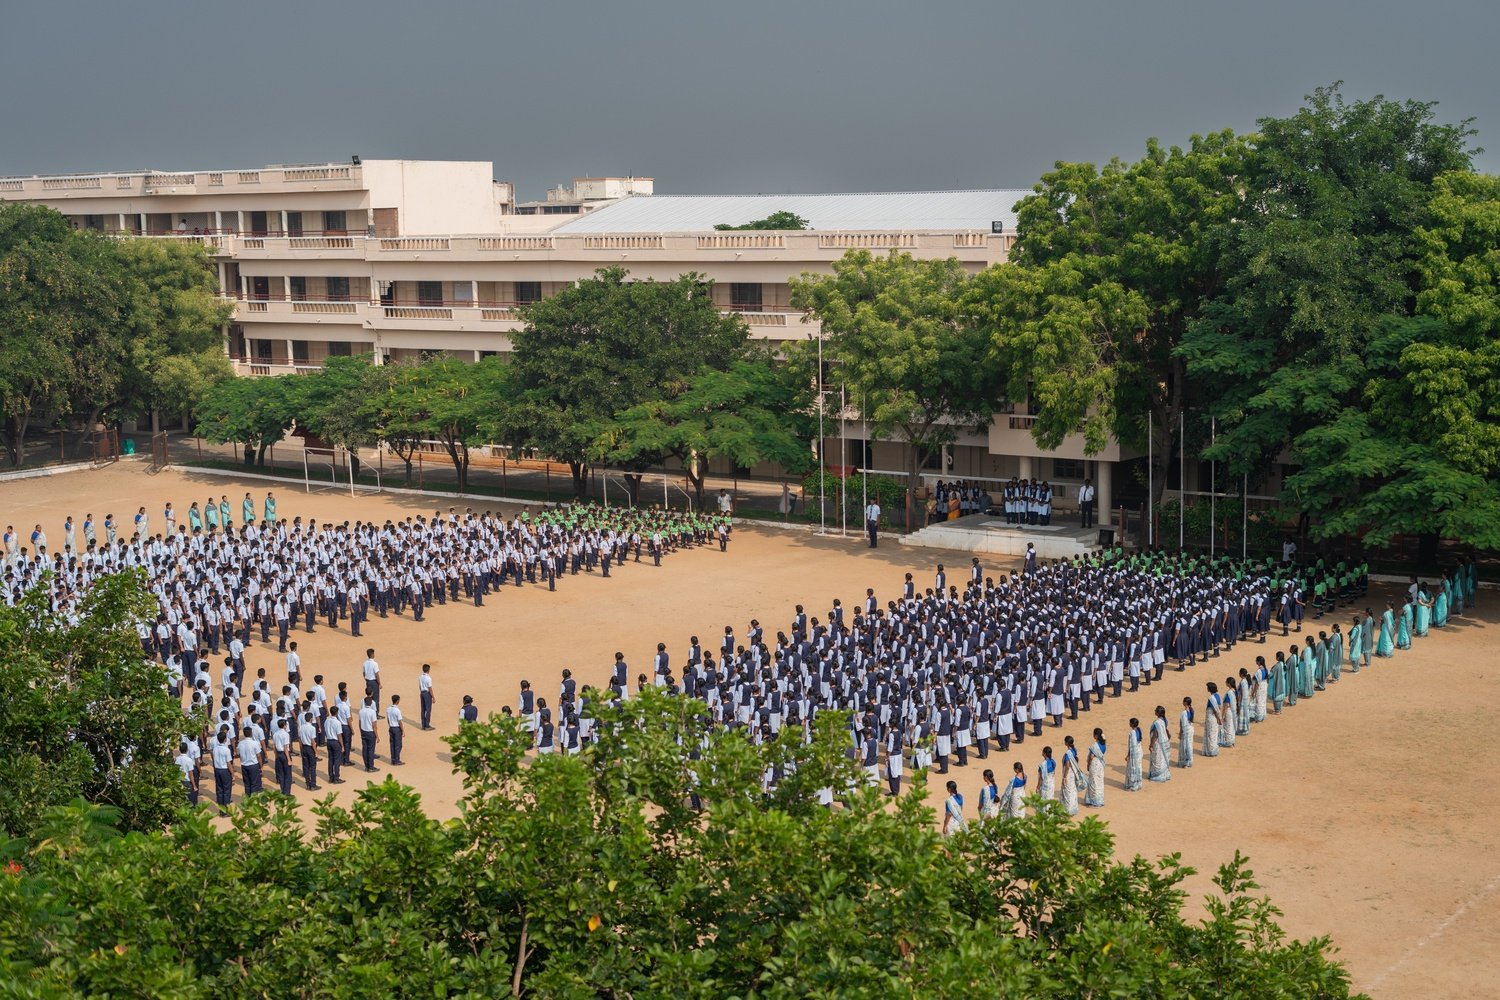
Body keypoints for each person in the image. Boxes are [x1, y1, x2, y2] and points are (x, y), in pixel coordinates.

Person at [1059, 736, 1081, 816]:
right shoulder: (1074, 750)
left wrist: (1064, 777)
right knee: (1072, 790)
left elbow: (1067, 765)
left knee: (1067, 791)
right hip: (1073, 773)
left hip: (1068, 774)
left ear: (1066, 743)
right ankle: (1073, 809)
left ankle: (1067, 810)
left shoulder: (1068, 754)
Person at [1084, 729, 1106, 807]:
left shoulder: (1094, 746)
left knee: (1093, 783)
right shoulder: (1103, 744)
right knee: (1099, 782)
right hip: (1100, 765)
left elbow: (1091, 757)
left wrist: (1088, 765)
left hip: (1094, 764)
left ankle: (1094, 802)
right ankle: (1099, 800)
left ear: (1096, 736)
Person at [1124, 718, 1143, 791]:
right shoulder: (1138, 730)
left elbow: (1132, 746)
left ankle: (1133, 784)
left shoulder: (1132, 732)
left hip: (1134, 753)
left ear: (1131, 724)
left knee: (1133, 768)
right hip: (1139, 751)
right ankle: (1138, 783)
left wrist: (1128, 755)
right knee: (1138, 767)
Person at [1202, 683, 1221, 758]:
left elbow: (1215, 710)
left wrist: (1218, 718)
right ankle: (1213, 750)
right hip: (1214, 718)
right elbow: (1219, 707)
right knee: (1214, 733)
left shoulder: (1211, 698)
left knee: (1210, 734)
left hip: (1211, 717)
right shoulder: (1218, 696)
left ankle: (1210, 751)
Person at [386, 694, 405, 765]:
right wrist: (402, 730)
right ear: (397, 701)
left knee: (392, 744)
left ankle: (393, 759)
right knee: (398, 745)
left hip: (391, 727)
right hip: (397, 728)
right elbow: (400, 722)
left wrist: (390, 725)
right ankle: (396, 760)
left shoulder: (388, 709)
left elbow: (388, 719)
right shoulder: (397, 711)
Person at [1177, 697, 1195, 769]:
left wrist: (1181, 733)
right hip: (1190, 730)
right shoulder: (1191, 710)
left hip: (1186, 731)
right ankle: (1189, 761)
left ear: (1185, 703)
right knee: (1189, 745)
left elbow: (1183, 724)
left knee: (1185, 746)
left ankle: (1185, 763)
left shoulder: (1184, 713)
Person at [418, 663, 435, 730]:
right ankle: (427, 725)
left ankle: (423, 725)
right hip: (427, 694)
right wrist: (433, 697)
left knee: (423, 709)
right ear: (428, 670)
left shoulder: (420, 677)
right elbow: (430, 689)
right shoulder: (429, 678)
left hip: (422, 693)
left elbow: (419, 686)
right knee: (428, 710)